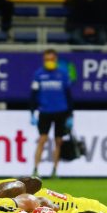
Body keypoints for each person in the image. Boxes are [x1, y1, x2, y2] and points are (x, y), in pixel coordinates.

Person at [30, 49, 73, 178]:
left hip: (61, 111)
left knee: (58, 141)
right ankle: (35, 169)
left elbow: (68, 95)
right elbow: (33, 95)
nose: (49, 62)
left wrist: (70, 115)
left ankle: (55, 170)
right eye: (47, 60)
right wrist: (32, 112)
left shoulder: (63, 74)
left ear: (56, 60)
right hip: (45, 111)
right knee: (42, 140)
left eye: (51, 59)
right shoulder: (38, 74)